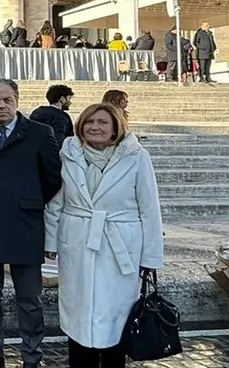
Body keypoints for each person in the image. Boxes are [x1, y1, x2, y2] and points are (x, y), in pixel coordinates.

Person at [45, 104, 164, 368]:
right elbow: (56, 202)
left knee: (116, 313)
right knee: (77, 311)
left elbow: (149, 208)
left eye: (102, 122)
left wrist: (151, 257)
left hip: (120, 244)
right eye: (89, 122)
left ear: (115, 128)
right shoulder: (68, 154)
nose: (95, 127)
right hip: (77, 242)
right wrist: (50, 242)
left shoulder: (136, 156)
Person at [0, 79, 62, 368]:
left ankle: (32, 356)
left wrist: (28, 201)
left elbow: (52, 177)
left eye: (7, 100)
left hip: (25, 226)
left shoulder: (40, 133)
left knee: (29, 299)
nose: (1, 106)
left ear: (17, 100)